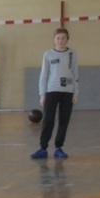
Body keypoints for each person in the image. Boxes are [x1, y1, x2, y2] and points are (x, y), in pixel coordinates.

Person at [31, 27, 79, 160]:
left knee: (64, 120)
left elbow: (75, 74)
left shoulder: (72, 54)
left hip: (67, 92)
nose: (61, 41)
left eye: (63, 38)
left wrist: (75, 93)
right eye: (58, 38)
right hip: (51, 91)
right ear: (54, 40)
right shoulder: (48, 54)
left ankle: (59, 148)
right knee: (48, 120)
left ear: (67, 40)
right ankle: (43, 148)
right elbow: (43, 75)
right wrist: (42, 94)